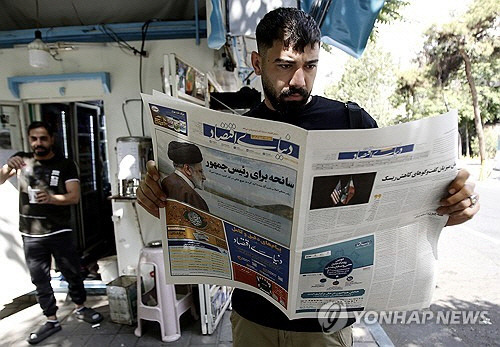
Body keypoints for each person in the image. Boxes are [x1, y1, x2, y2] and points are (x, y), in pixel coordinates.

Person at [137, 7, 480, 347]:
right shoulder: (233, 130)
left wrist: (451, 207)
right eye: (285, 66)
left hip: (324, 327)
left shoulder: (352, 123)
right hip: (252, 319)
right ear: (257, 63)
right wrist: (160, 203)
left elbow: (395, 211)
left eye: (310, 65)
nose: (299, 80)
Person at [2, 121, 103, 345]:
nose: (38, 143)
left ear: (52, 139)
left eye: (43, 138)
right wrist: (8, 166)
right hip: (31, 233)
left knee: (72, 272)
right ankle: (50, 319)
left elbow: (74, 196)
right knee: (40, 279)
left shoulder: (65, 164)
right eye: (34, 139)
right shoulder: (22, 160)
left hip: (60, 230)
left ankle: (80, 307)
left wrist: (51, 198)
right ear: (29, 140)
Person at [161, 141, 208, 213]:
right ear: (188, 169)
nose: (204, 177)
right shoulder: (191, 196)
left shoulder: (166, 181)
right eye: (200, 171)